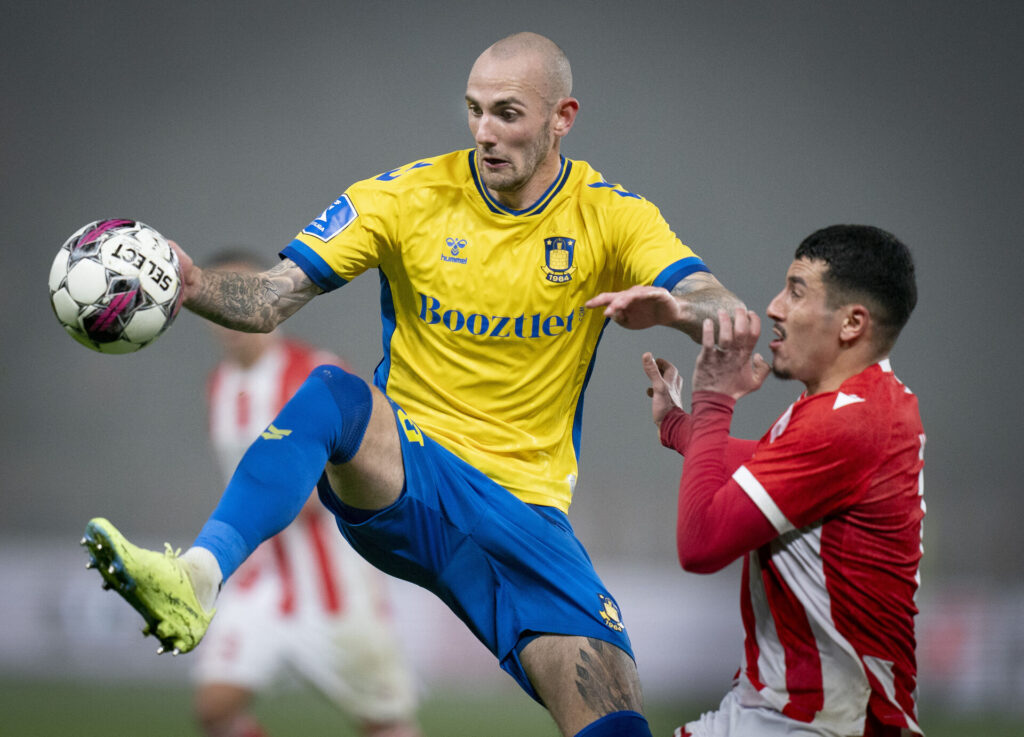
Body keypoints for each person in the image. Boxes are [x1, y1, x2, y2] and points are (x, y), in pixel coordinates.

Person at [81, 31, 745, 737]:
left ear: (563, 117)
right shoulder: (405, 197)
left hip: (527, 514)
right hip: (412, 471)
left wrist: (679, 309)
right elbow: (272, 298)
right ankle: (198, 577)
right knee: (333, 395)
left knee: (616, 723)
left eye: (508, 114)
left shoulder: (612, 217)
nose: (485, 133)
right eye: (474, 110)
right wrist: (193, 285)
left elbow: (720, 304)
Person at [642, 225, 924, 737]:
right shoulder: (867, 404)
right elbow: (762, 465)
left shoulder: (847, 423)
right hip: (785, 712)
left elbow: (700, 546)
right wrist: (678, 425)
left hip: (817, 723)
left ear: (851, 323)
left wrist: (714, 398)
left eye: (796, 291)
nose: (774, 307)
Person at [194, 250, 421, 737]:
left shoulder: (316, 373)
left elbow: (361, 460)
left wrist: (292, 495)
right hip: (258, 582)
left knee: (382, 722)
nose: (231, 314)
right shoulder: (218, 385)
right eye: (222, 298)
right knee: (215, 711)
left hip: (332, 585)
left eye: (243, 296)